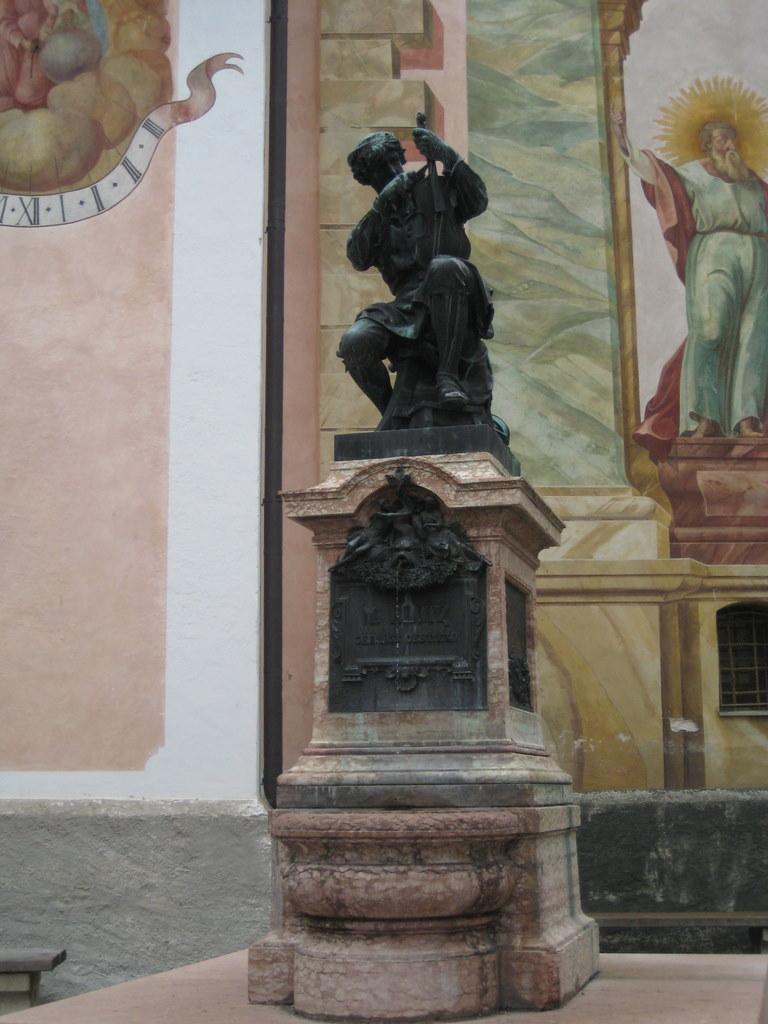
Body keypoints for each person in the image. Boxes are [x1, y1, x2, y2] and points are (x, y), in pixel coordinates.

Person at [612, 111, 768, 453]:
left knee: (754, 339)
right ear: (707, 146)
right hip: (714, 251)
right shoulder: (692, 174)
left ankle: (747, 418)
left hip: (760, 255)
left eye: (731, 138)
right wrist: (624, 140)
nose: (729, 145)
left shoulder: (752, 181)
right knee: (710, 329)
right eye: (721, 139)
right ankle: (703, 417)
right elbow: (654, 173)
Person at [338, 124, 494, 424]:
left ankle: (448, 376)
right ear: (368, 179)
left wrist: (446, 155)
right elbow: (357, 257)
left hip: (457, 288)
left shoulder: (435, 190)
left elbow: (478, 200)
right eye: (381, 169)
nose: (392, 171)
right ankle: (392, 415)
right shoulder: (378, 221)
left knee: (443, 267)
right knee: (355, 342)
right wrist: (381, 206)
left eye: (394, 161)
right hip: (408, 306)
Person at [0, 0, 55, 111]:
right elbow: (4, 21)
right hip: (18, 45)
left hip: (45, 42)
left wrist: (51, 23)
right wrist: (22, 41)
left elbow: (58, 9)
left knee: (30, 95)